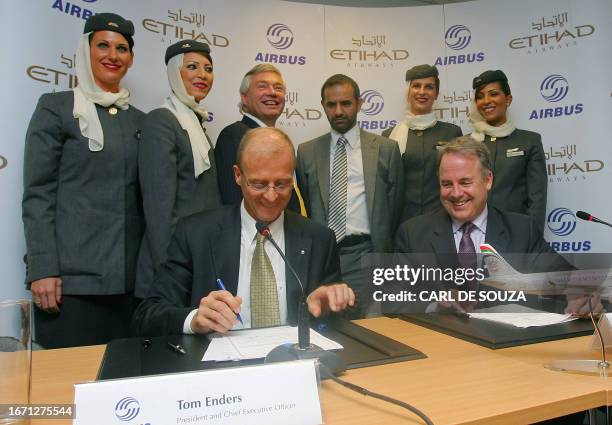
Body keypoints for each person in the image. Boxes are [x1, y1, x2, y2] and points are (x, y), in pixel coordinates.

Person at [133, 128, 354, 336]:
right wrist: (194, 320)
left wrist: (329, 308)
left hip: (295, 365)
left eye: (282, 184)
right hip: (219, 370)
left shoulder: (320, 239)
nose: (271, 196)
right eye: (258, 184)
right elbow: (148, 315)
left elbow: (338, 324)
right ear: (238, 175)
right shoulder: (195, 234)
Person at [22, 13, 144, 348]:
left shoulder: (141, 122)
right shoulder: (56, 108)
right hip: (70, 287)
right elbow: (38, 194)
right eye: (102, 45)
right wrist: (43, 269)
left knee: (125, 390)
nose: (112, 55)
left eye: (122, 48)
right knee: (67, 390)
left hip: (129, 286)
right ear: (85, 50)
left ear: (131, 59)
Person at [395, 137, 591, 314]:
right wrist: (433, 306)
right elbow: (392, 296)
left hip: (505, 348)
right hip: (441, 345)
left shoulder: (522, 230)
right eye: (447, 184)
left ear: (487, 180)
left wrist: (580, 293)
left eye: (465, 182)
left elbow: (566, 275)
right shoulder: (412, 233)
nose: (455, 193)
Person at [296, 74, 403, 317]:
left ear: (360, 103)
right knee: (332, 328)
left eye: (346, 103)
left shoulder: (386, 149)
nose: (339, 110)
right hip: (324, 258)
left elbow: (395, 207)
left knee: (376, 328)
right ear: (323, 105)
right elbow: (309, 203)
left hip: (369, 255)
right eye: (331, 104)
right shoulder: (306, 152)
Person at [136, 40, 222, 298]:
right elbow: (159, 211)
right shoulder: (162, 121)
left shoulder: (194, 122)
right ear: (175, 73)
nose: (202, 75)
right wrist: (171, 272)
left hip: (195, 263)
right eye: (192, 67)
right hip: (170, 271)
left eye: (208, 69)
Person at [214, 64, 306, 215]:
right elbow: (236, 205)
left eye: (278, 88)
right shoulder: (234, 136)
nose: (272, 93)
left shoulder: (279, 141)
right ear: (244, 97)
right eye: (262, 86)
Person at [469, 69, 547, 231]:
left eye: (493, 94)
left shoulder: (529, 141)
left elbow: (537, 200)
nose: (486, 101)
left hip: (515, 234)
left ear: (508, 99)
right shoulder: (466, 143)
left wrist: (531, 238)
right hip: (472, 234)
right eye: (480, 96)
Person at [383, 64, 462, 221]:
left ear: (436, 94)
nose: (422, 92)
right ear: (409, 92)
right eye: (416, 86)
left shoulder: (452, 133)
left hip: (443, 220)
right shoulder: (389, 135)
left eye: (429, 87)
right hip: (402, 223)